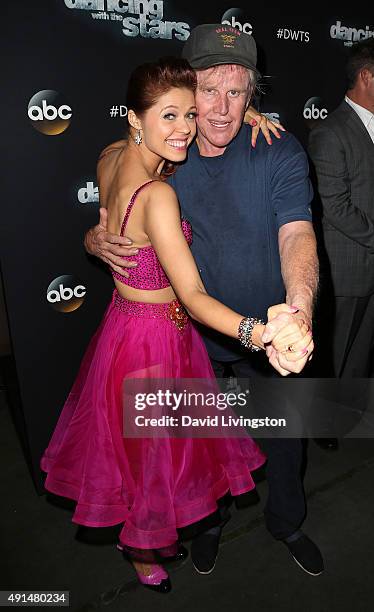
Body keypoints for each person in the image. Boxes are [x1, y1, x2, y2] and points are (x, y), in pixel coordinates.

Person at [40, 56, 312, 594]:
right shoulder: (162, 189)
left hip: (124, 330)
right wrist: (261, 334)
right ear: (135, 118)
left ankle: (159, 543)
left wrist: (239, 108)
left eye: (190, 113)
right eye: (173, 114)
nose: (187, 127)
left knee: (151, 450)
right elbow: (189, 294)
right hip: (163, 337)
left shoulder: (116, 157)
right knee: (167, 452)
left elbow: (111, 157)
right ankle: (154, 540)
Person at [308, 38, 374, 378]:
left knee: (358, 368)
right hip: (345, 276)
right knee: (332, 367)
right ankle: (323, 430)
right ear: (367, 76)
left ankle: (348, 424)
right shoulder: (331, 132)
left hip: (370, 273)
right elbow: (335, 205)